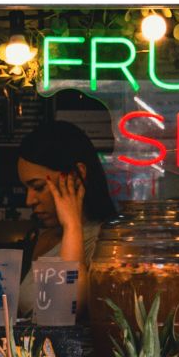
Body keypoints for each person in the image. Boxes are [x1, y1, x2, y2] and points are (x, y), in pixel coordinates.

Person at [16, 120, 116, 318]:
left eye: (38, 187)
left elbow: (62, 313)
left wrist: (72, 226)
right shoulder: (45, 238)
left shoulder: (105, 245)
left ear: (77, 177)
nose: (29, 200)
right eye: (25, 189)